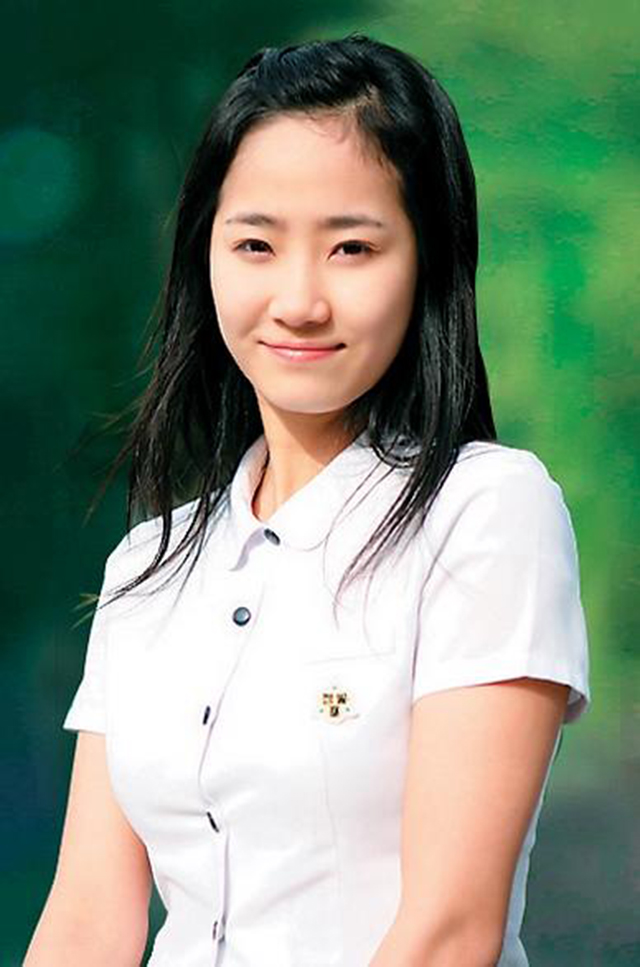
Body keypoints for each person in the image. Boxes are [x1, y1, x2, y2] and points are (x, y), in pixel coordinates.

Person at [24, 33, 591, 967]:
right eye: (255, 243)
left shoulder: (485, 514)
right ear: (205, 256)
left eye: (352, 248)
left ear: (428, 260)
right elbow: (87, 921)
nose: (299, 300)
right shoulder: (146, 568)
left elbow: (450, 932)